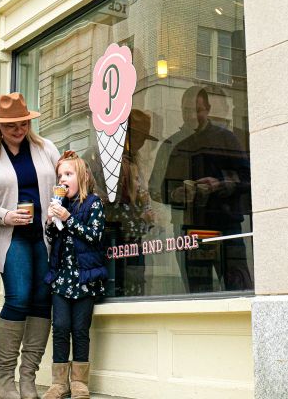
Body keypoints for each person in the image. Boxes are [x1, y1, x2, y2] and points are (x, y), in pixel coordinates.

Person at [0, 93, 60, 399]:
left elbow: (63, 183)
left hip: (46, 238)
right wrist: (5, 215)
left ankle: (27, 379)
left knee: (41, 300)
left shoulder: (46, 148)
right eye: (11, 125)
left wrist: (59, 204)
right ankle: (4, 378)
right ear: (0, 126)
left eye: (23, 123)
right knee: (18, 298)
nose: (18, 129)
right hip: (12, 240)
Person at [150, 86, 252, 293]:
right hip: (190, 229)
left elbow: (249, 178)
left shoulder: (226, 138)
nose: (193, 115)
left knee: (238, 288)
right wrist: (174, 194)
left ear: (208, 109)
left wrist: (219, 184)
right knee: (197, 292)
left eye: (198, 110)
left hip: (226, 226)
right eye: (188, 110)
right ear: (181, 110)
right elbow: (155, 188)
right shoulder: (172, 144)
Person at [42, 151, 107, 399]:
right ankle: (59, 383)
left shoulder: (93, 204)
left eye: (68, 174)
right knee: (59, 327)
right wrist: (51, 222)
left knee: (80, 329)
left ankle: (79, 381)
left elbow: (94, 236)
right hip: (61, 279)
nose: (63, 179)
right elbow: (52, 240)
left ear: (81, 177)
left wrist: (68, 219)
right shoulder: (61, 206)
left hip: (85, 279)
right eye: (60, 176)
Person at [89, 109, 157, 296]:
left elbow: (145, 205)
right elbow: (100, 203)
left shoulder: (136, 161)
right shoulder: (101, 159)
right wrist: (137, 216)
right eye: (139, 137)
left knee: (134, 288)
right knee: (114, 288)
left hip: (133, 243)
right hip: (110, 240)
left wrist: (144, 216)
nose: (142, 143)